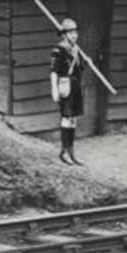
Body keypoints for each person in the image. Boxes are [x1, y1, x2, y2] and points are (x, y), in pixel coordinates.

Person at [50, 18, 85, 165]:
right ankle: (64, 152)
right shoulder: (59, 50)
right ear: (64, 35)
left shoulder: (76, 50)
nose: (74, 35)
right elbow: (53, 71)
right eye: (71, 33)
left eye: (75, 32)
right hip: (65, 85)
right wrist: (54, 89)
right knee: (66, 118)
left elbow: (80, 69)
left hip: (76, 85)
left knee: (74, 119)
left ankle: (71, 151)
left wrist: (85, 60)